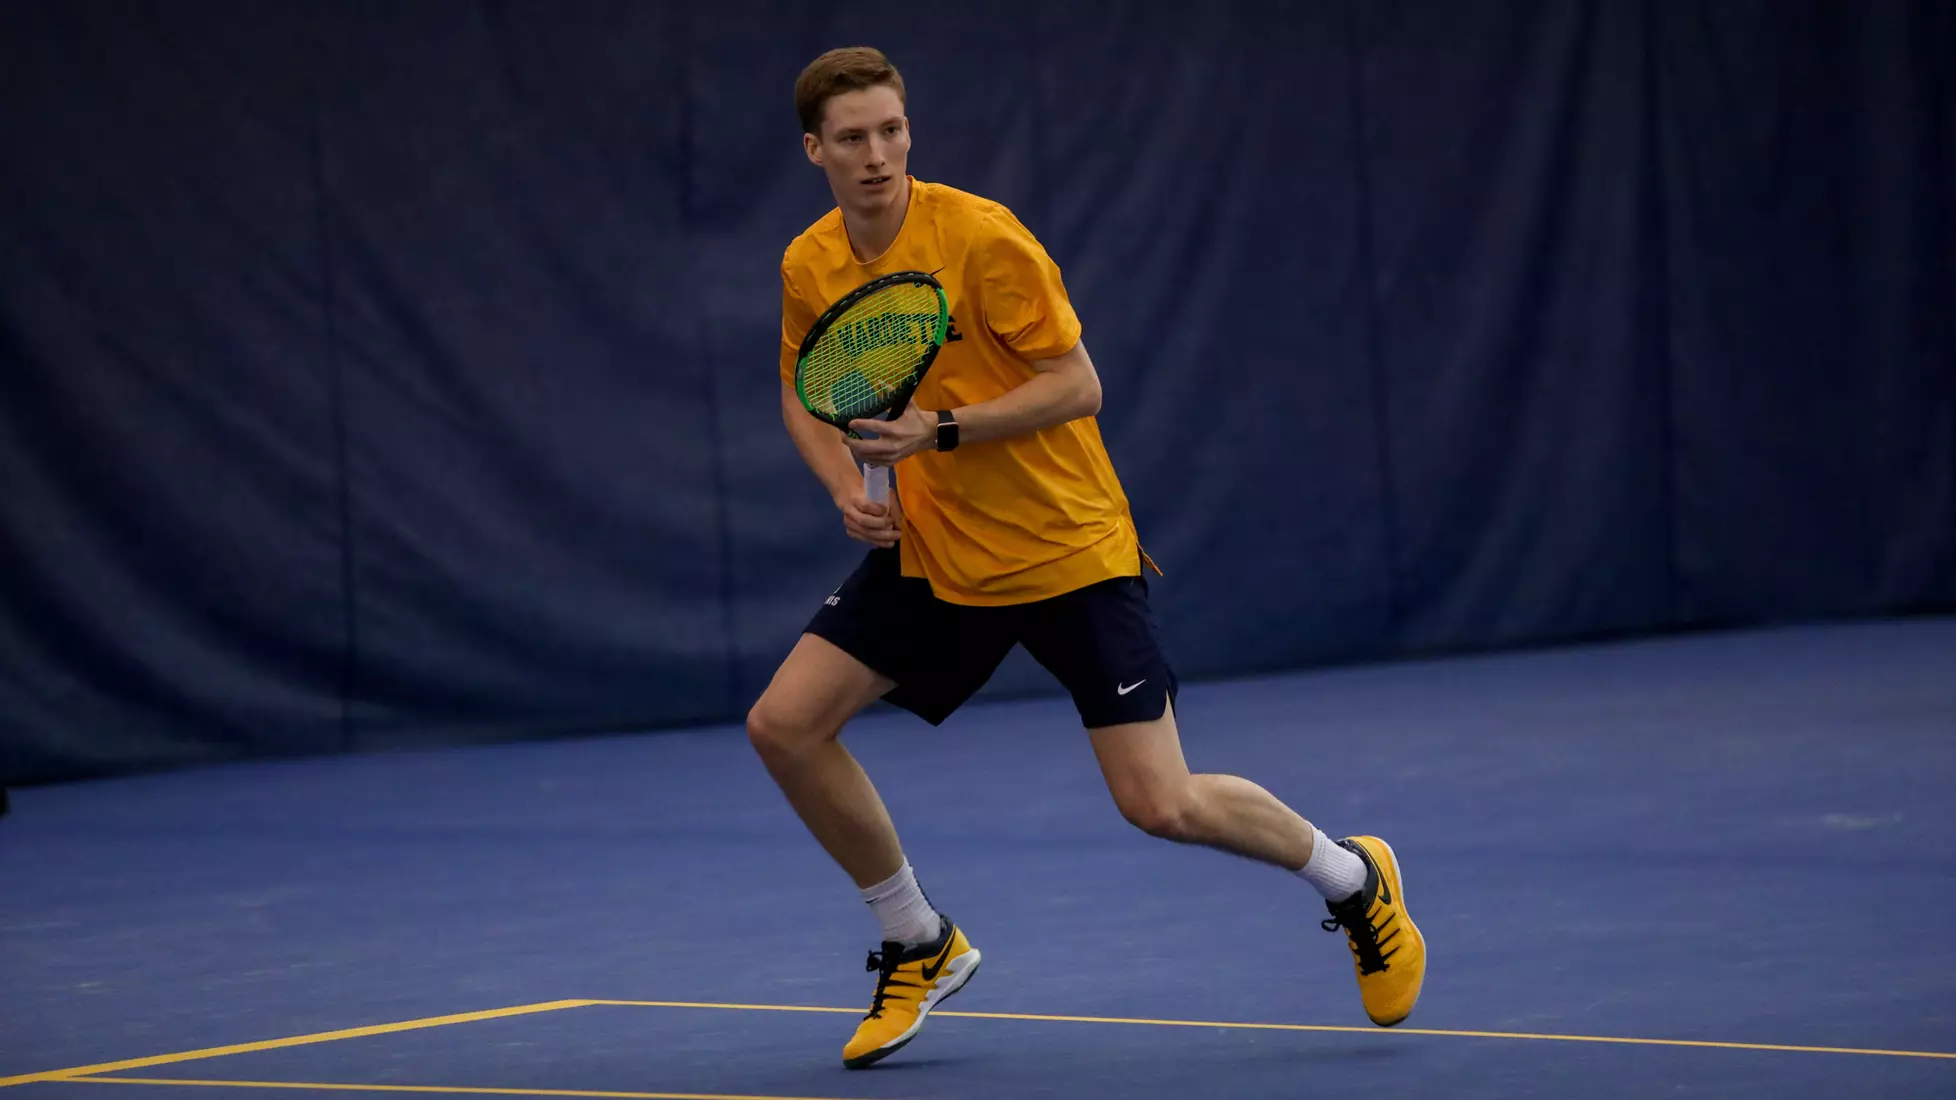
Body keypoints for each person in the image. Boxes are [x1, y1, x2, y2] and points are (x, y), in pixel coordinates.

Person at [749, 45, 1426, 1070]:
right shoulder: (812, 261)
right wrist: (843, 485)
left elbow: (1078, 385)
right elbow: (808, 388)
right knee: (785, 725)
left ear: (909, 132)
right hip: (941, 553)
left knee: (1161, 801)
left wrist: (938, 432)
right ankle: (917, 936)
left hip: (1066, 544)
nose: (878, 153)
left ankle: (1354, 878)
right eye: (853, 138)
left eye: (891, 130)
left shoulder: (981, 239)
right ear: (816, 150)